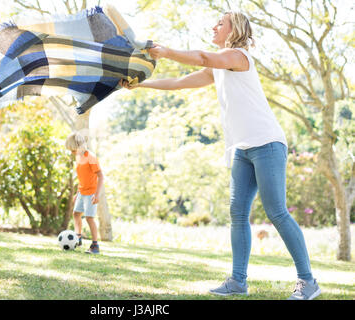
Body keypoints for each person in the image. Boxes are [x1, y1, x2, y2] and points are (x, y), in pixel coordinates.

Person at [120, 11, 320, 300]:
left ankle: (308, 281)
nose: (213, 26)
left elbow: (202, 56)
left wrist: (165, 52)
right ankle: (238, 281)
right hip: (241, 149)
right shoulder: (219, 68)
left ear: (234, 29)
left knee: (276, 211)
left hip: (267, 143)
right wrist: (140, 85)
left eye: (220, 23)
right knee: (238, 214)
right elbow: (178, 83)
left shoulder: (239, 56)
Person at [65, 131, 104, 254]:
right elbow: (82, 177)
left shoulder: (91, 157)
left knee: (89, 217)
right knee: (76, 214)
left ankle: (95, 245)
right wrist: (77, 192)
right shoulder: (78, 157)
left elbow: (101, 176)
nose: (72, 153)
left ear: (80, 146)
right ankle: (78, 238)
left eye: (73, 150)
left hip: (91, 193)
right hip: (82, 192)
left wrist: (97, 195)